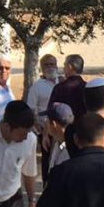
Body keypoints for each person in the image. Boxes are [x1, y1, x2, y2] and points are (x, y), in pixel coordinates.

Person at [27, 54, 61, 183]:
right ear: (41, 67)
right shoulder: (37, 87)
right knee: (47, 161)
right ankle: (47, 186)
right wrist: (38, 127)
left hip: (63, 128)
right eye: (46, 65)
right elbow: (31, 109)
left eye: (52, 64)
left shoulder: (63, 82)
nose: (50, 67)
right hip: (46, 131)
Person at [48, 54, 87, 119]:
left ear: (69, 67)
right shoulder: (87, 87)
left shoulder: (60, 88)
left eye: (64, 65)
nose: (63, 68)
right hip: (84, 123)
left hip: (64, 124)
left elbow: (52, 110)